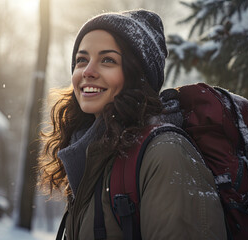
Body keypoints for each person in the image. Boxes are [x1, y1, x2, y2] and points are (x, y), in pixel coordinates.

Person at [39, 9, 227, 240]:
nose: (87, 71)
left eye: (107, 60)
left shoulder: (165, 153)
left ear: (137, 76)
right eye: (82, 60)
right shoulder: (91, 155)